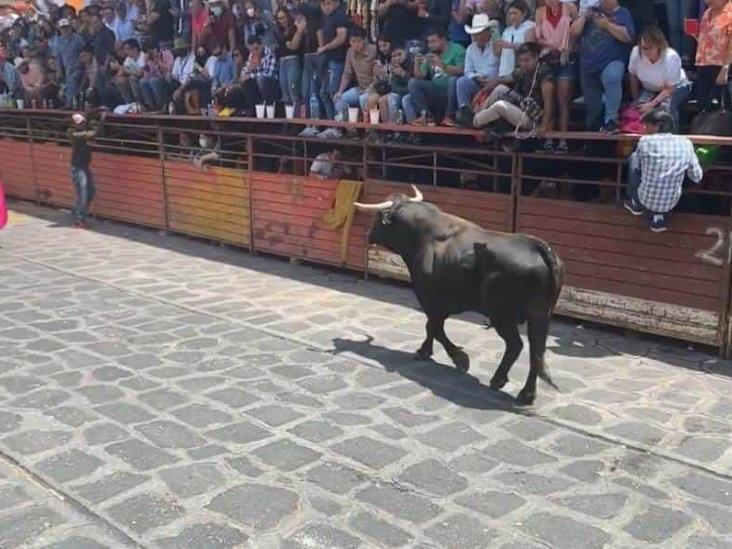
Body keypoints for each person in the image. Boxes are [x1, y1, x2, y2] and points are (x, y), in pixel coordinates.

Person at [624, 107, 703, 233]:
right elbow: (697, 177)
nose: (644, 130)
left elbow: (637, 168)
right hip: (671, 201)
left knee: (634, 158)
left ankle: (636, 205)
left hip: (645, 198)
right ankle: (658, 217)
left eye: (647, 126)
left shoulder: (645, 141)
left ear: (658, 126)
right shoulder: (686, 143)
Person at [571, 0, 635, 133]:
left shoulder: (623, 13)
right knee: (592, 106)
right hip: (588, 64)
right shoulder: (592, 13)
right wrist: (584, 17)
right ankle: (594, 135)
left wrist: (607, 25)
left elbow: (627, 36)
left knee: (612, 77)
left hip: (612, 60)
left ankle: (611, 120)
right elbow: (573, 33)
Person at [472, 42, 554, 135]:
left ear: (536, 58)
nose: (523, 64)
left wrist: (543, 127)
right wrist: (481, 92)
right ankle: (478, 113)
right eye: (521, 61)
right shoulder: (523, 70)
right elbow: (501, 80)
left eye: (527, 60)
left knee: (500, 105)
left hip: (533, 119)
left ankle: (475, 121)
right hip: (523, 107)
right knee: (500, 89)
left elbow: (549, 102)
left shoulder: (544, 74)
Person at [533, 0, 577, 153]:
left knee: (563, 101)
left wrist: (569, 48)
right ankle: (549, 139)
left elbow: (577, 32)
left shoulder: (570, 8)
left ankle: (563, 140)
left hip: (565, 59)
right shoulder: (540, 12)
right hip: (548, 59)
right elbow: (537, 38)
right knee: (549, 100)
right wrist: (549, 44)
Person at [629, 26, 691, 129]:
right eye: (643, 48)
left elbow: (670, 88)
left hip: (676, 87)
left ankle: (671, 138)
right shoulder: (636, 52)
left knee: (665, 112)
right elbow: (633, 76)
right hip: (650, 88)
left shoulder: (671, 57)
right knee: (640, 110)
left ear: (659, 46)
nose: (646, 51)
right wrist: (635, 98)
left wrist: (652, 104)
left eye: (650, 48)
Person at [403, 28, 465, 126]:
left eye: (434, 41)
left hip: (453, 92)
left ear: (443, 40)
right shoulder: (431, 54)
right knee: (413, 83)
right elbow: (420, 76)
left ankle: (449, 116)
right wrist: (416, 63)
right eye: (429, 42)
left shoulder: (457, 49)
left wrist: (442, 65)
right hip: (436, 91)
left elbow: (462, 71)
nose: (430, 45)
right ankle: (427, 117)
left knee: (454, 80)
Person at [447, 14, 499, 126]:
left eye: (482, 33)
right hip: (477, 83)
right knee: (461, 81)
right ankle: (465, 114)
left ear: (489, 32)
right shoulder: (471, 48)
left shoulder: (496, 46)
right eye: (476, 34)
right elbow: (467, 71)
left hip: (494, 83)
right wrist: (476, 77)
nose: (479, 37)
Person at [67, 111, 106, 229]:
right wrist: (100, 121)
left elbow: (99, 134)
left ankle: (78, 211)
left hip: (84, 166)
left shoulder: (83, 129)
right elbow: (93, 133)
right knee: (83, 193)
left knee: (91, 191)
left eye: (83, 121)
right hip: (77, 167)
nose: (81, 123)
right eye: (79, 122)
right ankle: (80, 219)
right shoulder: (72, 132)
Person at [333, 27, 377, 130]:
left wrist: (371, 87)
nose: (356, 44)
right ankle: (351, 129)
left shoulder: (373, 50)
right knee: (339, 100)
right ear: (349, 42)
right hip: (360, 88)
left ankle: (368, 130)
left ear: (364, 40)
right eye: (353, 42)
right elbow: (347, 74)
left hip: (374, 87)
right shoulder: (350, 52)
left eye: (359, 41)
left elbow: (378, 74)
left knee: (363, 99)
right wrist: (340, 91)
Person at [692, 0, 732, 112]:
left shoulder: (730, 14)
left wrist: (725, 68)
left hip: (721, 66)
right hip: (704, 64)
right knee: (703, 104)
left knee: (722, 107)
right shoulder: (707, 13)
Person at [317, 0, 350, 121]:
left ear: (336, 3)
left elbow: (341, 37)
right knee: (324, 93)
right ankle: (332, 123)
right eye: (323, 4)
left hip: (338, 60)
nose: (326, 7)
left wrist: (325, 47)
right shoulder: (327, 18)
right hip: (328, 60)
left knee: (334, 93)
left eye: (328, 3)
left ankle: (339, 127)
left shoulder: (340, 15)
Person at [275, 8, 304, 114]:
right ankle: (290, 118)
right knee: (285, 94)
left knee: (294, 93)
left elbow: (295, 47)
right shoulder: (279, 31)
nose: (281, 21)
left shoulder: (295, 28)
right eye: (279, 18)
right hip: (282, 62)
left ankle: (297, 119)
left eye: (283, 17)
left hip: (293, 61)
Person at [239, 35, 279, 110]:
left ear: (261, 45)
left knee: (260, 79)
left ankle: (268, 104)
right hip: (258, 84)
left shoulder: (270, 55)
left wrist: (251, 75)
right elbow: (244, 72)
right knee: (246, 82)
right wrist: (248, 70)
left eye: (256, 49)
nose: (254, 52)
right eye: (251, 50)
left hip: (272, 84)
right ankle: (253, 108)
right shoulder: (252, 56)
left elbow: (268, 74)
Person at [497, 0, 535, 77]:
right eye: (510, 14)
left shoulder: (530, 26)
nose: (512, 17)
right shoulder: (507, 30)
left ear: (524, 13)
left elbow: (529, 48)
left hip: (520, 74)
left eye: (515, 13)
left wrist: (510, 45)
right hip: (504, 72)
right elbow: (497, 52)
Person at [56, 18, 86, 107]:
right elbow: (59, 56)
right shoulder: (59, 40)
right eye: (62, 28)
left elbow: (83, 54)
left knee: (72, 79)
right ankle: (63, 102)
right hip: (66, 69)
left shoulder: (78, 39)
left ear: (70, 28)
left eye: (66, 28)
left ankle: (70, 103)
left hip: (78, 67)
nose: (64, 30)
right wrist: (59, 69)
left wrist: (77, 64)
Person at [141, 43, 174, 110]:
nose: (149, 53)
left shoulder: (167, 54)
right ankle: (150, 105)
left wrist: (158, 62)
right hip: (154, 78)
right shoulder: (147, 58)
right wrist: (147, 64)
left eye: (151, 51)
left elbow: (170, 69)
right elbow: (146, 76)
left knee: (153, 80)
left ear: (156, 49)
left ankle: (160, 105)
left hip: (167, 77)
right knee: (143, 81)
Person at [112, 38, 146, 104]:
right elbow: (121, 72)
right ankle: (128, 102)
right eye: (125, 49)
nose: (125, 51)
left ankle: (139, 102)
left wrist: (125, 70)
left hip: (143, 77)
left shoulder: (143, 56)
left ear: (135, 49)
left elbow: (140, 73)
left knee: (132, 78)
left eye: (127, 49)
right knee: (120, 80)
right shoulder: (128, 58)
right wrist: (119, 70)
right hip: (133, 77)